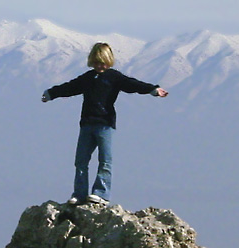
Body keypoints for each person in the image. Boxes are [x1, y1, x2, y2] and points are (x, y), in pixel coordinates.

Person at [42, 42, 168, 205]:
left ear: (109, 61)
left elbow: (133, 84)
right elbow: (69, 87)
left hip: (105, 125)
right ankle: (79, 194)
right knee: (81, 161)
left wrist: (153, 89)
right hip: (87, 124)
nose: (99, 66)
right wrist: (51, 93)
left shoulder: (114, 77)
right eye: (96, 62)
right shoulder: (87, 78)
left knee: (105, 160)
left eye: (102, 62)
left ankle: (101, 193)